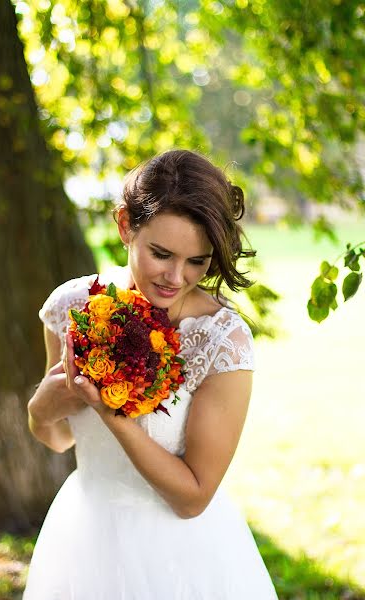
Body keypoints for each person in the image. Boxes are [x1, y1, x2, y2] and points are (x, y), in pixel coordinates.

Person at [23, 149, 278, 599]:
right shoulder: (73, 306)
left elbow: (192, 498)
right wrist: (41, 408)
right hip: (84, 536)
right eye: (161, 253)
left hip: (181, 555)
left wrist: (111, 410)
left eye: (197, 261)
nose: (176, 277)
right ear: (125, 225)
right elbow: (60, 438)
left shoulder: (223, 342)